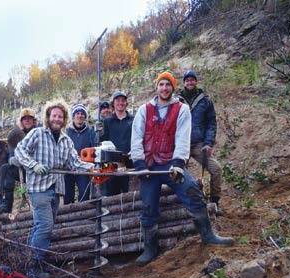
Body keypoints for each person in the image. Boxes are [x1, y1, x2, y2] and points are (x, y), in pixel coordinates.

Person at [130, 71, 234, 266]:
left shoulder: (182, 109)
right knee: (148, 206)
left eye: (168, 85)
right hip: (150, 167)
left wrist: (178, 163)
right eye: (161, 84)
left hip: (171, 164)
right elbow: (136, 138)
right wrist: (140, 164)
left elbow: (183, 137)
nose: (164, 88)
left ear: (173, 87)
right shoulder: (144, 110)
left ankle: (208, 235)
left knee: (193, 192)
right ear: (156, 87)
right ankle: (150, 248)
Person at [14, 101, 94, 278]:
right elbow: (20, 151)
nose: (57, 119)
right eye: (54, 115)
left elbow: (74, 163)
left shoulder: (66, 140)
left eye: (60, 116)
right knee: (45, 226)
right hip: (39, 189)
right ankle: (34, 268)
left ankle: (26, 262)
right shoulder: (37, 133)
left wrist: (94, 167)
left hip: (56, 189)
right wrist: (33, 165)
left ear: (64, 119)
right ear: (48, 117)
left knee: (39, 226)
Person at [178, 70, 223, 207]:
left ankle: (214, 203)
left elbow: (211, 123)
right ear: (184, 82)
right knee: (176, 173)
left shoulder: (205, 100)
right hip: (181, 144)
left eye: (192, 79)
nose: (190, 82)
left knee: (216, 169)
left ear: (196, 81)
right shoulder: (177, 101)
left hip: (198, 144)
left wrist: (208, 143)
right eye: (187, 80)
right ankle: (178, 203)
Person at [0, 108, 38, 213]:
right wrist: (12, 160)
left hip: (36, 169)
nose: (27, 121)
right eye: (24, 119)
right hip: (22, 170)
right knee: (5, 169)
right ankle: (5, 205)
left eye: (29, 118)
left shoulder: (38, 132)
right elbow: (11, 153)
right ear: (21, 122)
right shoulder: (16, 134)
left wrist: (23, 159)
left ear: (34, 120)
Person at [100, 91, 134, 196]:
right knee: (111, 195)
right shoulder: (107, 122)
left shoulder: (133, 120)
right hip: (111, 164)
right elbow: (102, 142)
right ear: (113, 104)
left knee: (129, 195)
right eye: (118, 100)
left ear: (126, 103)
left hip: (129, 163)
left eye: (123, 100)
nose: (120, 103)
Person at [65, 104, 97, 204]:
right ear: (73, 116)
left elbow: (95, 149)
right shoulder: (66, 132)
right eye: (77, 113)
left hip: (84, 169)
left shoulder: (91, 132)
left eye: (82, 114)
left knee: (84, 195)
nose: (80, 116)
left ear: (85, 117)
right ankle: (67, 217)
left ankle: (83, 216)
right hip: (68, 169)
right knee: (67, 196)